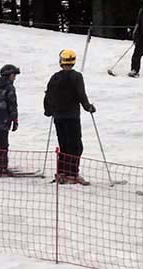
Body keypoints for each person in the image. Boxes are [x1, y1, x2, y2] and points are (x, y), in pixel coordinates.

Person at [43, 49, 96, 185]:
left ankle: (62, 172)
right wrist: (88, 107)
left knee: (64, 145)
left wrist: (48, 110)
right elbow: (81, 94)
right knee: (76, 146)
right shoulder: (76, 76)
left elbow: (48, 94)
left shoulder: (55, 77)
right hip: (72, 116)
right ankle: (72, 174)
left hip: (58, 117)